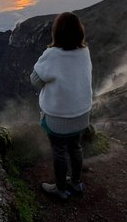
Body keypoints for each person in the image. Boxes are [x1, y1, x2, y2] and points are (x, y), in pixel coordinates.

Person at [30, 12, 92, 200]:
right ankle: (76, 182)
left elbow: (35, 81)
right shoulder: (84, 52)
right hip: (82, 114)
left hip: (59, 116)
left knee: (59, 150)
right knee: (75, 146)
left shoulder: (52, 55)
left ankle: (60, 188)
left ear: (56, 32)